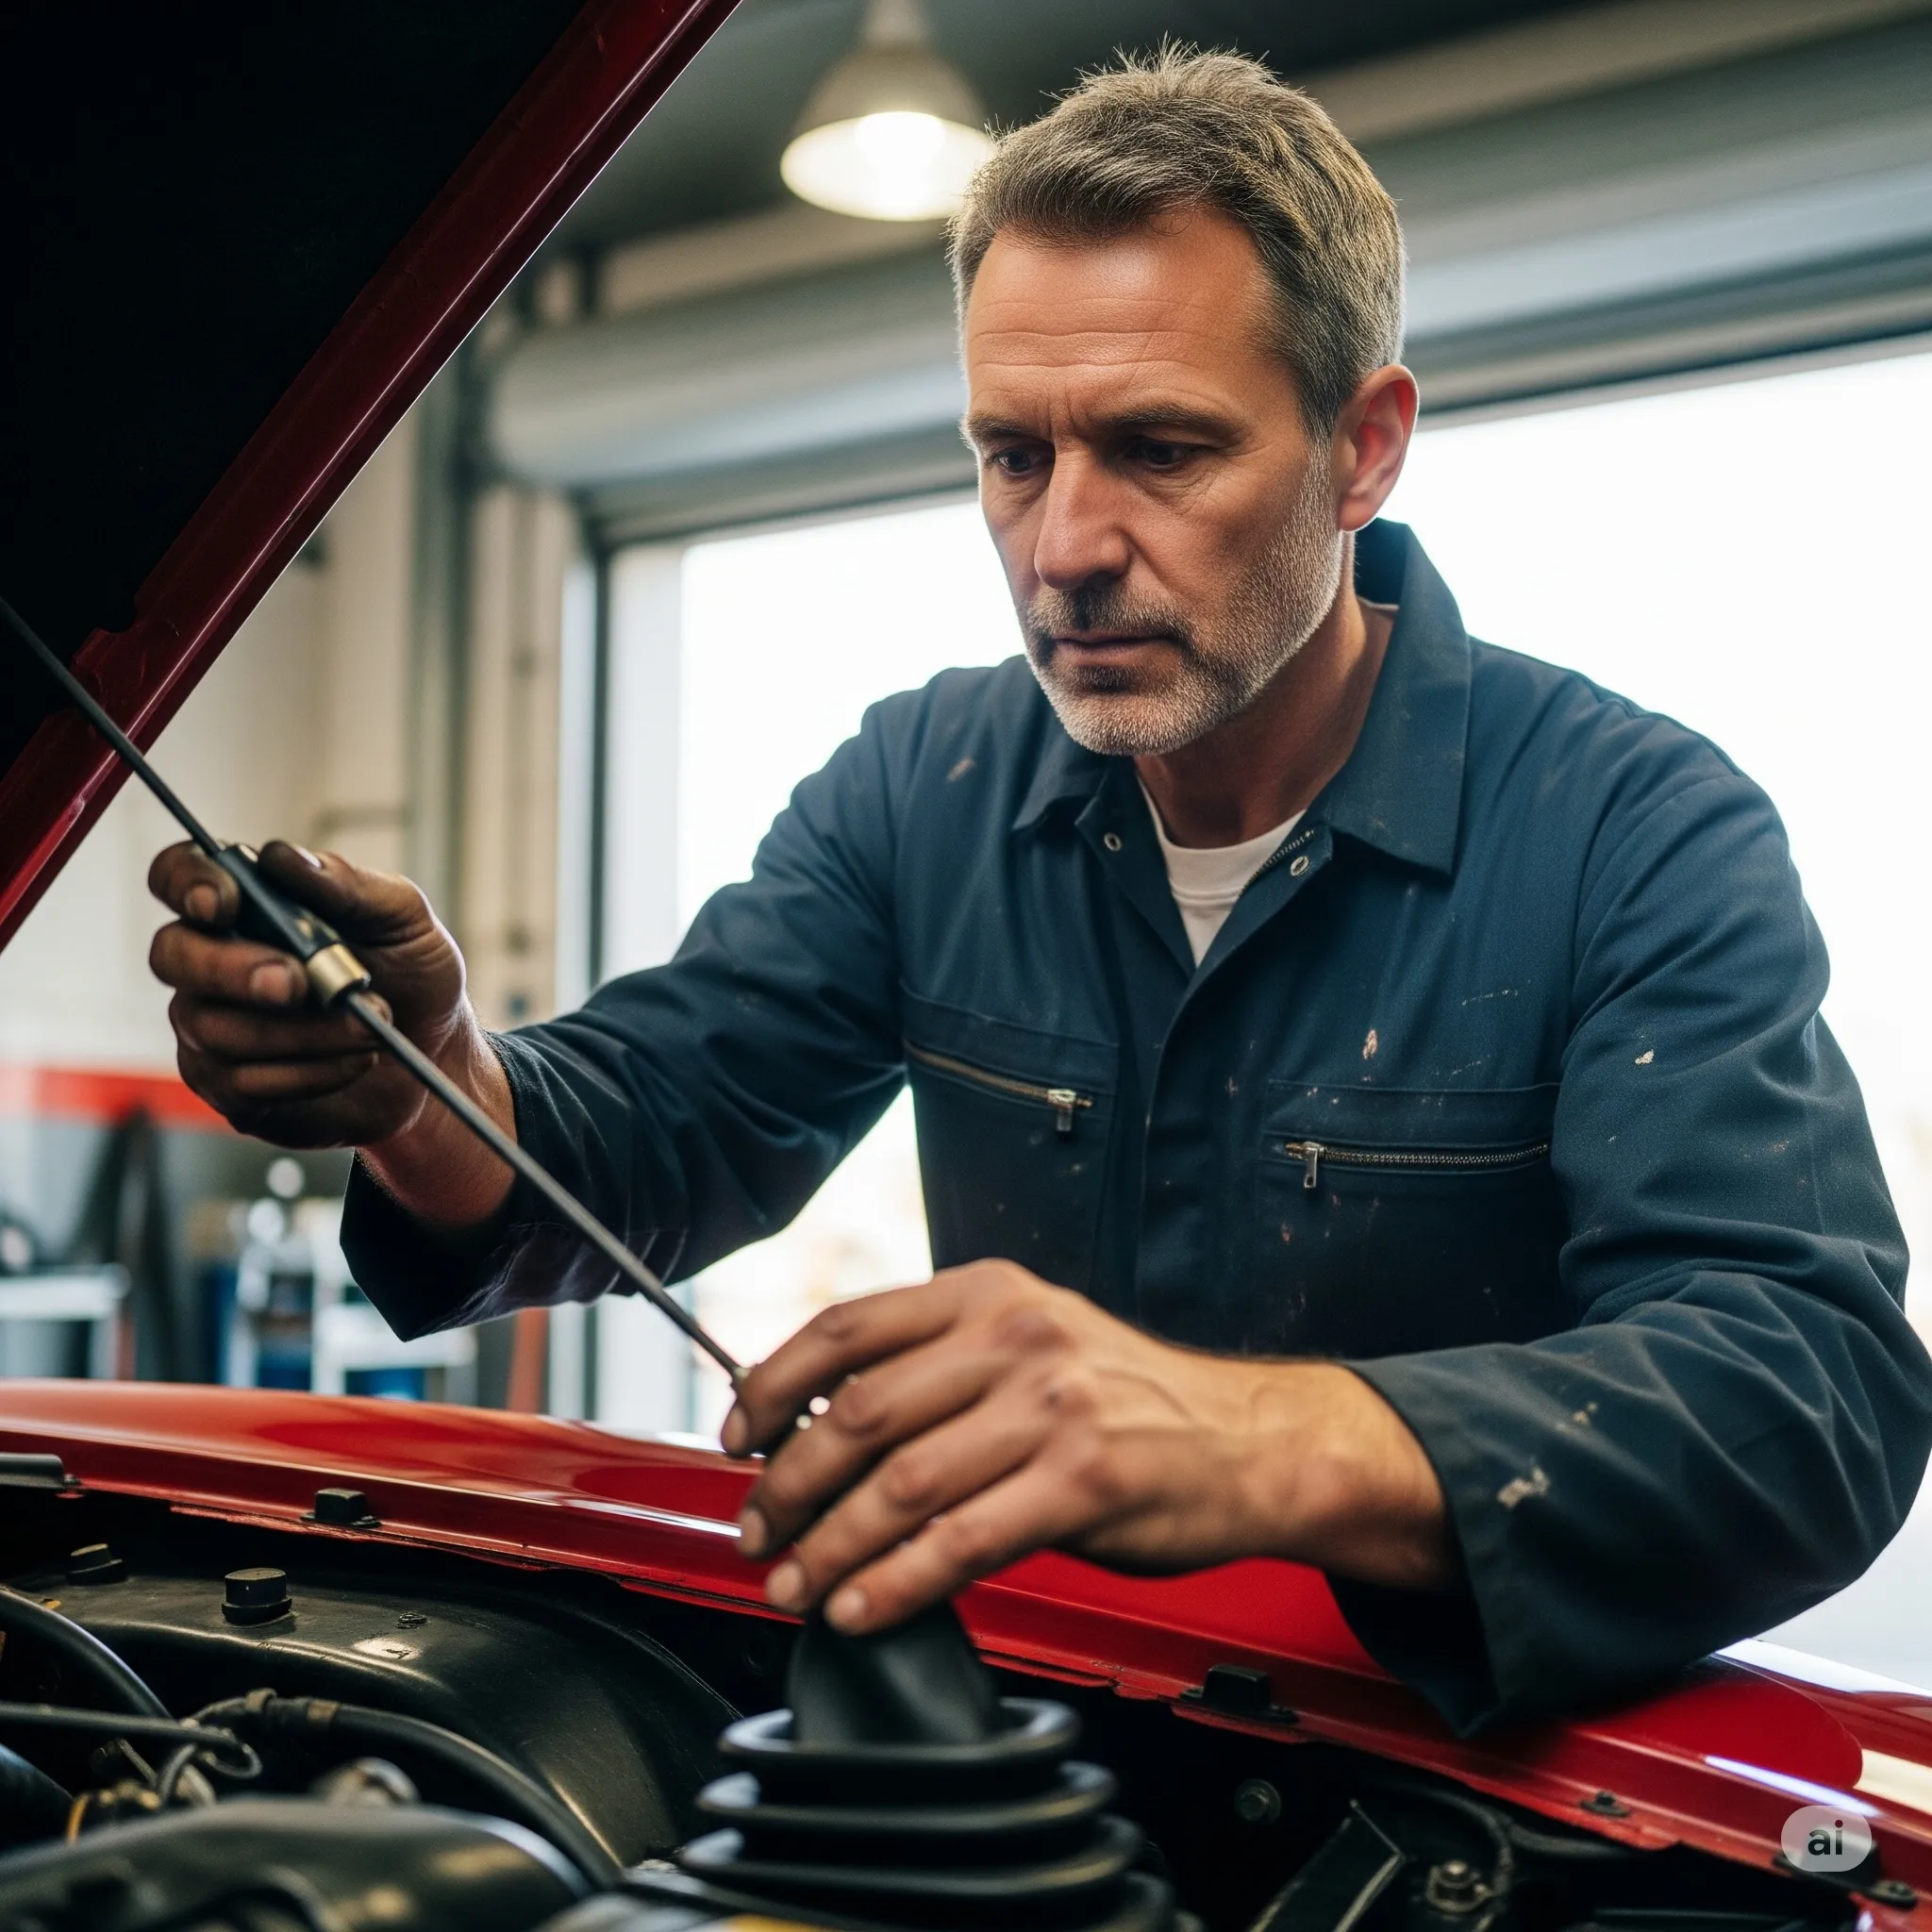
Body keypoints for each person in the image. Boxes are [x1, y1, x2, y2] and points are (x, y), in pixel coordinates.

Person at [148, 49, 1932, 1735]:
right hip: (1031, 1749)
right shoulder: (923, 784)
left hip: (1438, 1803)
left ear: (1364, 445)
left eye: (1161, 450)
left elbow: (1810, 1398)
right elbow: (650, 1135)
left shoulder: (1636, 829)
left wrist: (1250, 1441)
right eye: (1014, 454)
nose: (1064, 550)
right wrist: (426, 1075)